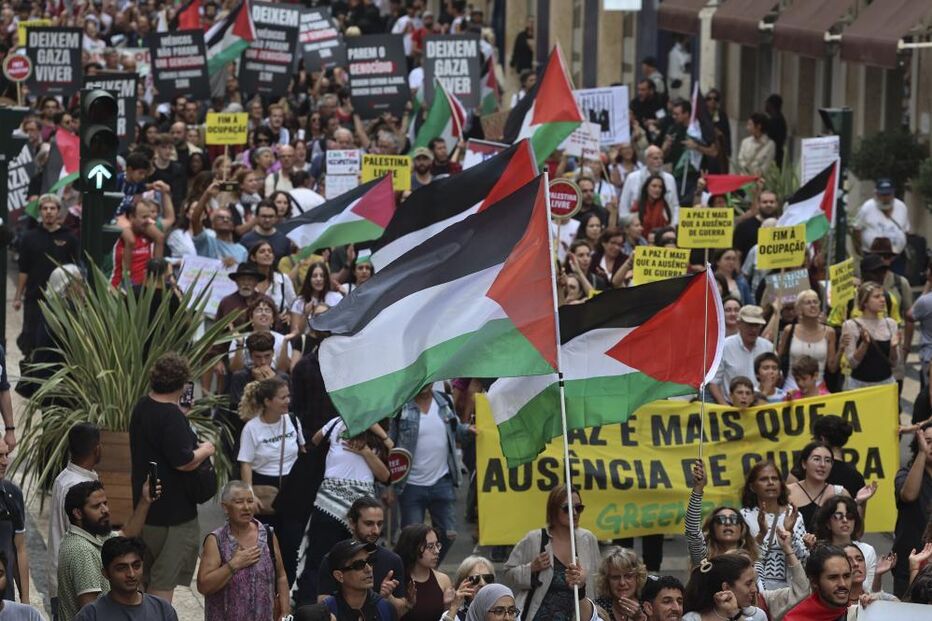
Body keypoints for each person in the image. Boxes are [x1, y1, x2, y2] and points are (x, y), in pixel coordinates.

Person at [129, 352, 216, 604]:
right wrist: (207, 449)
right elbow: (184, 461)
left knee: (143, 581)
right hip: (174, 517)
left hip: (146, 510)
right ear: (181, 383)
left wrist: (182, 416)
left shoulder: (143, 406)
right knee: (162, 588)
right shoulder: (171, 416)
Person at [294, 416, 390, 604]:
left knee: (357, 562)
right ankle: (310, 608)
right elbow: (315, 440)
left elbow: (385, 475)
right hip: (329, 504)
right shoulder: (337, 422)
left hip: (362, 509)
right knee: (318, 559)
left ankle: (351, 608)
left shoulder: (379, 433)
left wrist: (365, 451)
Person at [389, 386, 473, 562]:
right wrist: (388, 485)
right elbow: (391, 445)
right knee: (411, 539)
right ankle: (411, 572)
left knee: (449, 534)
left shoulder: (444, 402)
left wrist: (468, 430)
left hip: (442, 482)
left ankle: (429, 569)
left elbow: (456, 429)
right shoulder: (402, 405)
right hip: (410, 485)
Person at [57, 480, 157, 621]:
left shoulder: (95, 534)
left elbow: (127, 534)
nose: (105, 510)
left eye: (105, 503)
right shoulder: (82, 551)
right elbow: (91, 613)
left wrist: (145, 500)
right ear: (78, 513)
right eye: (97, 506)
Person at [503, 485, 600, 621]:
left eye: (579, 508)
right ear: (553, 510)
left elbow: (598, 581)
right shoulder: (535, 539)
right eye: (567, 508)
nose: (574, 513)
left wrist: (583, 582)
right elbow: (508, 574)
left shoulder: (588, 539)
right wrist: (531, 568)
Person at [197, 481, 290, 621]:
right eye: (239, 502)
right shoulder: (216, 540)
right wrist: (233, 565)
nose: (246, 507)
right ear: (225, 507)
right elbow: (203, 586)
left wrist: (285, 612)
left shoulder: (267, 535)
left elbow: (281, 576)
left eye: (250, 501)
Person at [316, 497, 407, 616]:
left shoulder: (393, 560)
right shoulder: (333, 559)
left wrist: (388, 597)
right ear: (352, 523)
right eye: (369, 524)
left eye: (380, 524)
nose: (376, 530)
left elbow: (401, 612)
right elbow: (323, 608)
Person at [14, 193, 79, 359]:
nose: (48, 212)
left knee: (56, 344)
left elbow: (75, 270)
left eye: (52, 208)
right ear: (40, 212)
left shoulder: (70, 238)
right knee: (30, 343)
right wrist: (17, 297)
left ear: (59, 211)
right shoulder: (29, 238)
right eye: (44, 208)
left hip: (60, 302)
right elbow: (23, 269)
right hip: (34, 299)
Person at [48, 423, 101, 620]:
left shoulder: (64, 477)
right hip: (77, 581)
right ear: (97, 449)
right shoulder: (78, 485)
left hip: (64, 576)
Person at [237, 377, 305, 521]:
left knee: (293, 530)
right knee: (268, 530)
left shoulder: (292, 419)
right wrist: (250, 495)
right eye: (282, 398)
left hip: (293, 484)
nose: (288, 401)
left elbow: (302, 450)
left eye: (288, 396)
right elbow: (246, 464)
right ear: (268, 402)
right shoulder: (251, 428)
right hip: (264, 487)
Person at [682, 544, 806, 621]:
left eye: (754, 582)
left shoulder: (758, 615)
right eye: (748, 583)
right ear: (726, 587)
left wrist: (735, 614)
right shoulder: (692, 618)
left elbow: (802, 590)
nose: (755, 589)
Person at [739, 460, 807, 588]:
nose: (770, 482)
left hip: (790, 591)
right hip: (756, 590)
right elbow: (740, 558)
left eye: (775, 478)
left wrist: (790, 533)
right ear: (752, 487)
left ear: (781, 484)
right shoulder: (744, 516)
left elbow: (803, 559)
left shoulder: (793, 515)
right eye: (764, 479)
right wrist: (761, 534)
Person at [73, 537, 177, 620]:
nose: (131, 574)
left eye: (136, 566)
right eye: (121, 568)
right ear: (106, 573)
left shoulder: (163, 609)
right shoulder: (90, 615)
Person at [684, 460, 759, 567]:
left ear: (742, 528)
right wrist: (698, 488)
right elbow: (692, 530)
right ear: (712, 528)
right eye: (721, 520)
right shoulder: (703, 558)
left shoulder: (753, 562)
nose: (728, 523)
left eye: (734, 519)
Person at [893, 422, 932, 595]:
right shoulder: (905, 473)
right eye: (928, 441)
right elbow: (909, 495)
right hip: (909, 561)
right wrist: (922, 453)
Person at [787, 442, 858, 532]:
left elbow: (856, 531)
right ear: (804, 464)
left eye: (828, 460)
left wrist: (858, 502)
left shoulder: (840, 493)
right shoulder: (787, 492)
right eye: (816, 459)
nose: (822, 465)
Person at [710, 305, 773, 404]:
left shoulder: (768, 347)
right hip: (731, 406)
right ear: (739, 324)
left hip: (762, 405)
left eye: (757, 325)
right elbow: (713, 383)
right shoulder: (724, 347)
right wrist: (725, 407)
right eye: (749, 325)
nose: (753, 329)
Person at [842, 281, 899, 390]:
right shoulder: (851, 325)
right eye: (877, 297)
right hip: (859, 386)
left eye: (882, 296)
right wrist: (864, 344)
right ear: (865, 302)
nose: (882, 300)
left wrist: (893, 348)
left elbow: (894, 363)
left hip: (886, 384)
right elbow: (853, 364)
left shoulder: (890, 324)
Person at [812, 497, 878, 588]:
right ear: (827, 523)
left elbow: (871, 589)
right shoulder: (820, 552)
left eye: (850, 516)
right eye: (838, 516)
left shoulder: (867, 550)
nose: (845, 520)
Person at [778, 290, 837, 391]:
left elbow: (832, 368)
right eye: (808, 303)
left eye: (815, 302)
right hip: (791, 387)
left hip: (818, 388)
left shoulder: (829, 332)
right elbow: (778, 358)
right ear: (799, 308)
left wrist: (842, 349)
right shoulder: (789, 330)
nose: (812, 305)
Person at [322, 540, 395, 621]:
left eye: (370, 561)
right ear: (339, 576)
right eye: (359, 565)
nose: (369, 569)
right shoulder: (326, 611)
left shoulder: (385, 608)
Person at [783, 545, 857, 620]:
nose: (843, 584)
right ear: (814, 582)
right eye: (833, 577)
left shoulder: (858, 612)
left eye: (846, 576)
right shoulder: (795, 619)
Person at [394, 525, 450, 621]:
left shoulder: (443, 580)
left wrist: (449, 605)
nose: (437, 551)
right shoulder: (396, 581)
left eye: (437, 545)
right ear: (413, 548)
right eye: (430, 546)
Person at [853, 178, 910, 273]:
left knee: (896, 281)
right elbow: (857, 229)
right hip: (873, 257)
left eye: (888, 194)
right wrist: (861, 252)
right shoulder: (867, 207)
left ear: (893, 194)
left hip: (896, 258)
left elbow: (905, 230)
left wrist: (901, 245)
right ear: (876, 194)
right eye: (882, 195)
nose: (886, 198)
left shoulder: (901, 207)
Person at [229, 295, 293, 373]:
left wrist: (285, 342)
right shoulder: (239, 338)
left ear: (273, 319)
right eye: (259, 310)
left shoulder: (282, 339)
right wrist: (240, 345)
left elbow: (283, 371)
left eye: (267, 310)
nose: (263, 313)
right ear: (251, 318)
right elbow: (235, 370)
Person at [619, 146, 680, 219]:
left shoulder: (670, 179)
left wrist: (673, 223)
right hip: (637, 222)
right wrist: (629, 222)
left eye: (661, 158)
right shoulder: (632, 178)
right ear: (647, 160)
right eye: (655, 158)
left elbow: (675, 205)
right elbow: (624, 205)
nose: (659, 161)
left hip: (664, 222)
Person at [0, 439, 26, 607]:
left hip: (5, 601)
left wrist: (25, 601)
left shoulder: (12, 494)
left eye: (6, 455)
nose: (5, 462)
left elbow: (20, 549)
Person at [593, 547, 647, 621]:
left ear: (638, 577)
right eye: (615, 577)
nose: (622, 583)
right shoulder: (598, 608)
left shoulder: (649, 603)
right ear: (606, 581)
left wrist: (640, 618)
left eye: (628, 576)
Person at [249, 241, 298, 321]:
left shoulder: (283, 279)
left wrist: (289, 315)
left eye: (270, 251)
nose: (267, 254)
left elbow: (294, 306)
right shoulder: (248, 280)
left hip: (279, 326)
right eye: (262, 251)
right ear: (253, 257)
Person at [291, 263, 344, 336]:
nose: (318, 279)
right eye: (314, 276)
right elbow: (294, 335)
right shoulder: (299, 302)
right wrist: (305, 315)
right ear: (309, 279)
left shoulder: (337, 298)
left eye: (322, 276)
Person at [441, 555, 496, 621]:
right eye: (475, 579)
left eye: (488, 578)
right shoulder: (452, 615)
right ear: (462, 584)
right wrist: (454, 607)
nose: (482, 583)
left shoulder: (503, 611)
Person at [240, 201, 295, 265]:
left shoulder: (284, 240)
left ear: (276, 217)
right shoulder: (246, 239)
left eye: (271, 216)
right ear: (257, 217)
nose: (267, 220)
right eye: (264, 216)